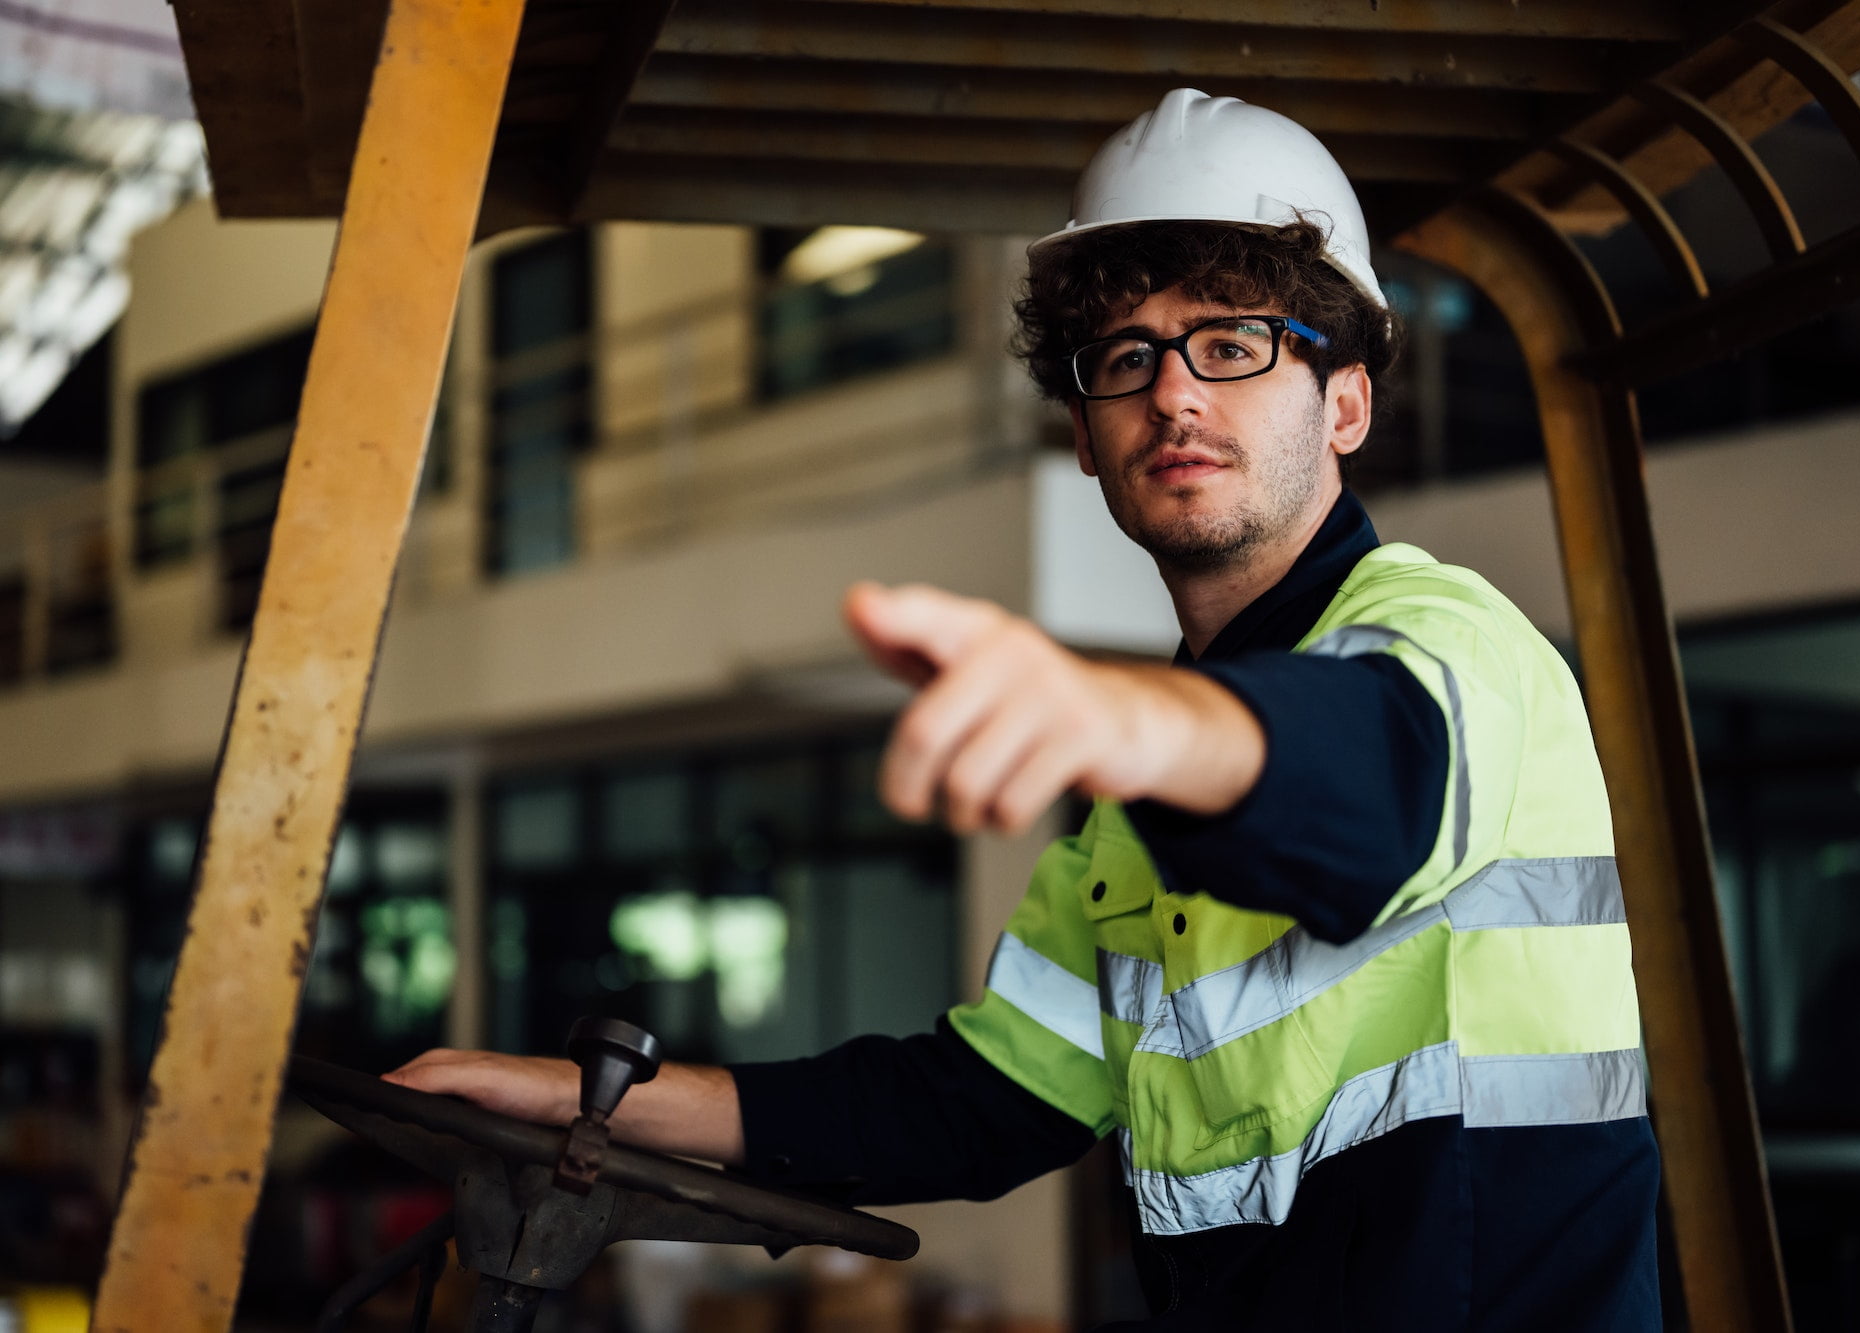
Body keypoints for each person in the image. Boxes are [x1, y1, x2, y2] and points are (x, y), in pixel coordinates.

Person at [390, 89, 1663, 1330]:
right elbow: (979, 1097)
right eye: (1126, 359)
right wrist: (593, 1103)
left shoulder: (1451, 645)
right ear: (1083, 434)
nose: (1173, 394)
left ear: (1344, 402)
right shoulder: (1132, 825)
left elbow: (1369, 780)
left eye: (1231, 345)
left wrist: (1128, 717)